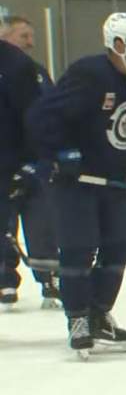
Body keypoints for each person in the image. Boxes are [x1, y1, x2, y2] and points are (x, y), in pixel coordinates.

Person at [26, 12, 126, 357]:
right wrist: (60, 153)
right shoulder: (89, 74)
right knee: (79, 249)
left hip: (113, 181)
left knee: (121, 245)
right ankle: (78, 318)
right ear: (118, 43)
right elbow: (41, 118)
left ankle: (98, 313)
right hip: (74, 182)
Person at [1, 16, 59, 307]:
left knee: (42, 224)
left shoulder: (34, 71)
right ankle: (4, 281)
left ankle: (49, 277)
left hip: (34, 164)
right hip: (4, 165)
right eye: (24, 35)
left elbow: (45, 116)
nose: (31, 42)